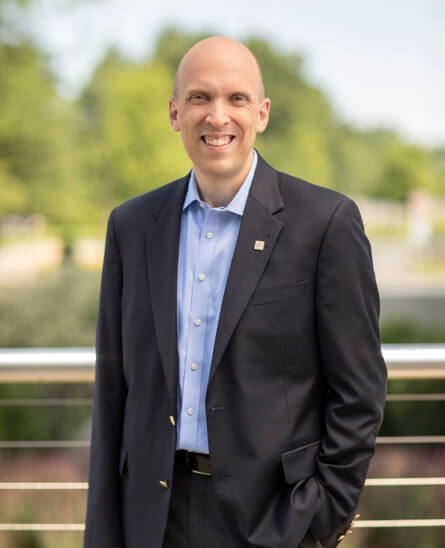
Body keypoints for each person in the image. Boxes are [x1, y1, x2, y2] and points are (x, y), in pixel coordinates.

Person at [84, 36, 387, 548]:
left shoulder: (326, 224)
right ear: (175, 113)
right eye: (199, 98)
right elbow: (113, 393)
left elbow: (359, 392)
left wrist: (322, 515)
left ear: (261, 113)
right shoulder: (131, 227)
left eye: (236, 98)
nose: (217, 115)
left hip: (274, 520)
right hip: (151, 522)